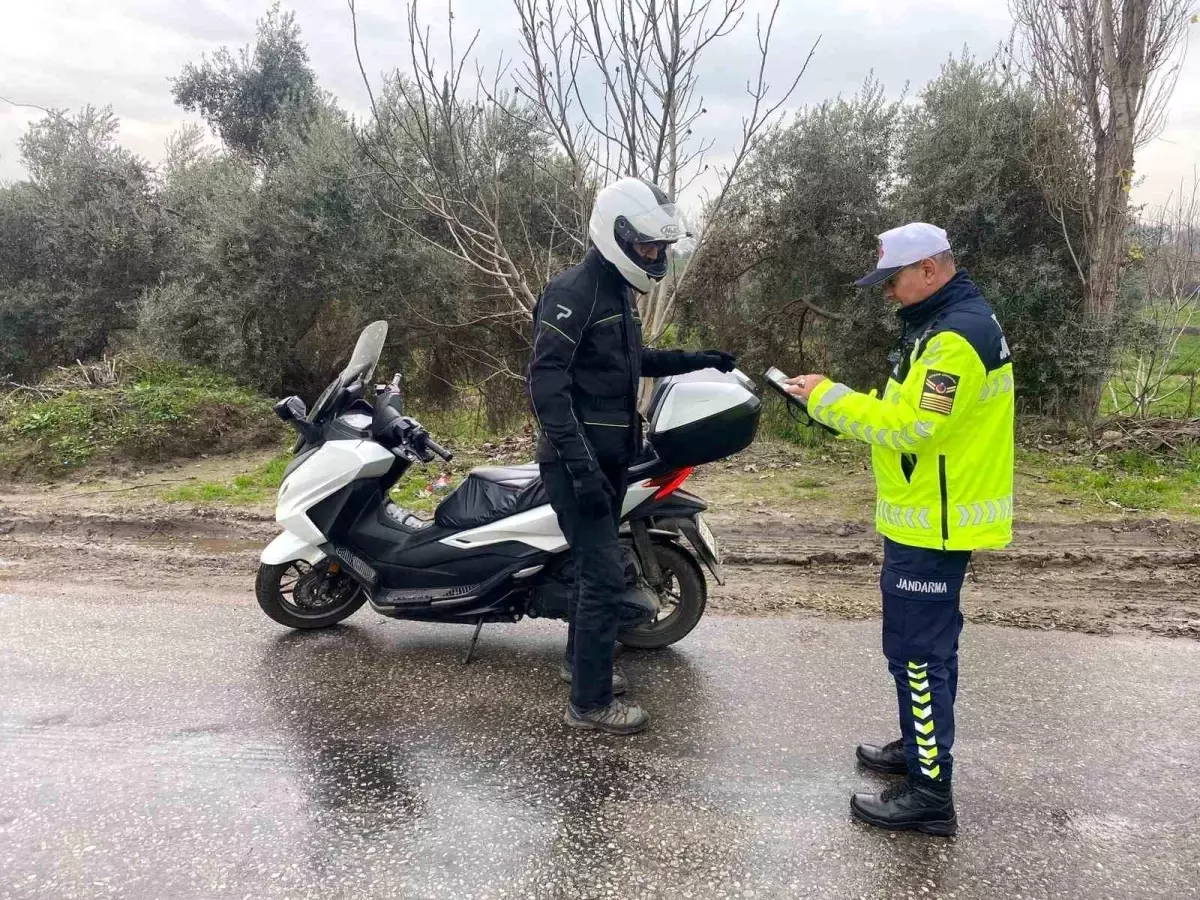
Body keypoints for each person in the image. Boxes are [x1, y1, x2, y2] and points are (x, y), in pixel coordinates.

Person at [786, 223, 1014, 836]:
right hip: (923, 515)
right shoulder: (939, 328)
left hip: (934, 525)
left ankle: (930, 797)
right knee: (923, 653)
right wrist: (828, 405)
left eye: (895, 280)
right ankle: (920, 750)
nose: (888, 292)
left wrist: (829, 398)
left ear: (931, 271)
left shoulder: (958, 339)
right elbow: (897, 415)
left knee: (918, 658)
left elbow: (915, 427)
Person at [528, 177, 736, 736]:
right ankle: (589, 705)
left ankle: (582, 666)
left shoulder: (616, 290)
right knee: (600, 577)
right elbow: (546, 385)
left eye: (660, 248)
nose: (655, 256)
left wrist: (698, 360)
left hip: (610, 459)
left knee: (592, 572)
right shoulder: (572, 292)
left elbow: (628, 359)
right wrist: (580, 467)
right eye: (647, 247)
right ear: (613, 234)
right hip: (580, 466)